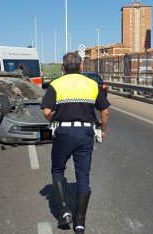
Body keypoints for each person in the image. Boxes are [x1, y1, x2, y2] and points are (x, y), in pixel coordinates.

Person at [41, 52, 110, 233]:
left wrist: (58, 117)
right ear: (81, 67)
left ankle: (64, 211)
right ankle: (80, 223)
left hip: (63, 132)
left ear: (63, 68)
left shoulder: (56, 84)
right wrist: (102, 130)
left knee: (58, 169)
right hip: (86, 133)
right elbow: (105, 111)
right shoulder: (92, 84)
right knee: (83, 177)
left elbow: (47, 111)